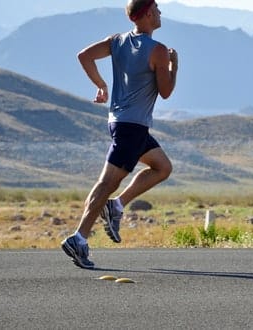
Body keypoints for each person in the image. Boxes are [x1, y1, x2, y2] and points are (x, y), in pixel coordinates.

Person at [61, 0, 178, 269]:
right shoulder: (159, 51)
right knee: (106, 183)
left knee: (162, 167)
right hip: (132, 128)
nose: (160, 12)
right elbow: (166, 91)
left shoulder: (117, 41)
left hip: (121, 123)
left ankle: (116, 206)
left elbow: (84, 56)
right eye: (157, 8)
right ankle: (79, 238)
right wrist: (174, 66)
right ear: (148, 14)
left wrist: (101, 85)